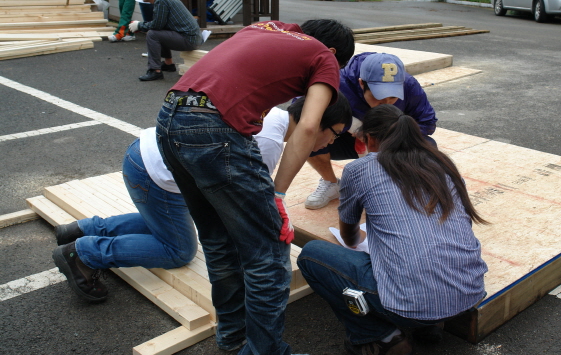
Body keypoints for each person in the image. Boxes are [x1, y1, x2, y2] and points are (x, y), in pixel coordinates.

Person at [155, 19, 355, 355]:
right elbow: (309, 125)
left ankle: (233, 334)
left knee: (218, 241)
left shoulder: (262, 28)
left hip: (170, 117)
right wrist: (277, 195)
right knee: (270, 253)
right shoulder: (322, 55)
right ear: (333, 53)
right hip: (214, 128)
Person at [51, 94, 352, 303]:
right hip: (155, 174)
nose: (332, 142)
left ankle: (85, 229)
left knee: (170, 222)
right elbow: (245, 204)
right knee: (178, 250)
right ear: (315, 121)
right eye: (335, 133)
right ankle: (84, 253)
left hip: (145, 154)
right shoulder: (269, 142)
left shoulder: (271, 115)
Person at [297, 104, 488, 355]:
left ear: (370, 139)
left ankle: (382, 338)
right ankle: (428, 325)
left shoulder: (360, 169)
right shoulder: (442, 162)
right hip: (470, 292)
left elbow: (350, 238)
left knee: (312, 255)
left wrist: (372, 244)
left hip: (408, 306)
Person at [304, 51, 438, 210]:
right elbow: (301, 110)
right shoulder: (338, 80)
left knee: (427, 146)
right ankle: (330, 182)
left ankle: (405, 188)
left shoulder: (408, 84)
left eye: (393, 97)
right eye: (379, 96)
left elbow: (428, 122)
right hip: (348, 139)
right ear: (362, 84)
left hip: (389, 139)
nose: (386, 103)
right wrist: (352, 125)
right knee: (307, 137)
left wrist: (392, 132)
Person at [129, 0, 203, 81]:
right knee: (159, 32)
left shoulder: (161, 1)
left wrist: (139, 25)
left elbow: (157, 25)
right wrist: (141, 25)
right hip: (192, 37)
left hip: (189, 39)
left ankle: (155, 71)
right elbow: (160, 25)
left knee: (152, 34)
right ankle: (169, 64)